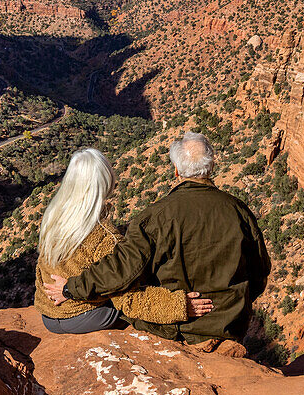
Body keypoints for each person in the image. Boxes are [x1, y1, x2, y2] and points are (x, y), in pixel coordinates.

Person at [44, 132, 269, 353]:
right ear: (211, 167)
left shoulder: (154, 218)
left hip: (177, 327)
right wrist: (232, 306)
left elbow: (122, 272)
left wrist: (71, 288)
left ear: (176, 170)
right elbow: (260, 272)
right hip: (229, 325)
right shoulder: (239, 211)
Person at [34, 147, 213, 334]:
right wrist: (179, 305)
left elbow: (42, 268)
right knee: (135, 306)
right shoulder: (104, 236)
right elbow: (129, 300)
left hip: (48, 316)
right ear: (106, 181)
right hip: (83, 316)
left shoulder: (53, 217)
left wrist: (62, 293)